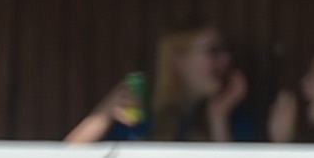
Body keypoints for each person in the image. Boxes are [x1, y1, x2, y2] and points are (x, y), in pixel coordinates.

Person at [66, 25, 257, 144]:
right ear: (179, 61)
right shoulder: (139, 103)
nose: (226, 60)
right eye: (213, 51)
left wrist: (218, 118)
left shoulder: (233, 114)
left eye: (226, 51)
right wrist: (105, 113)